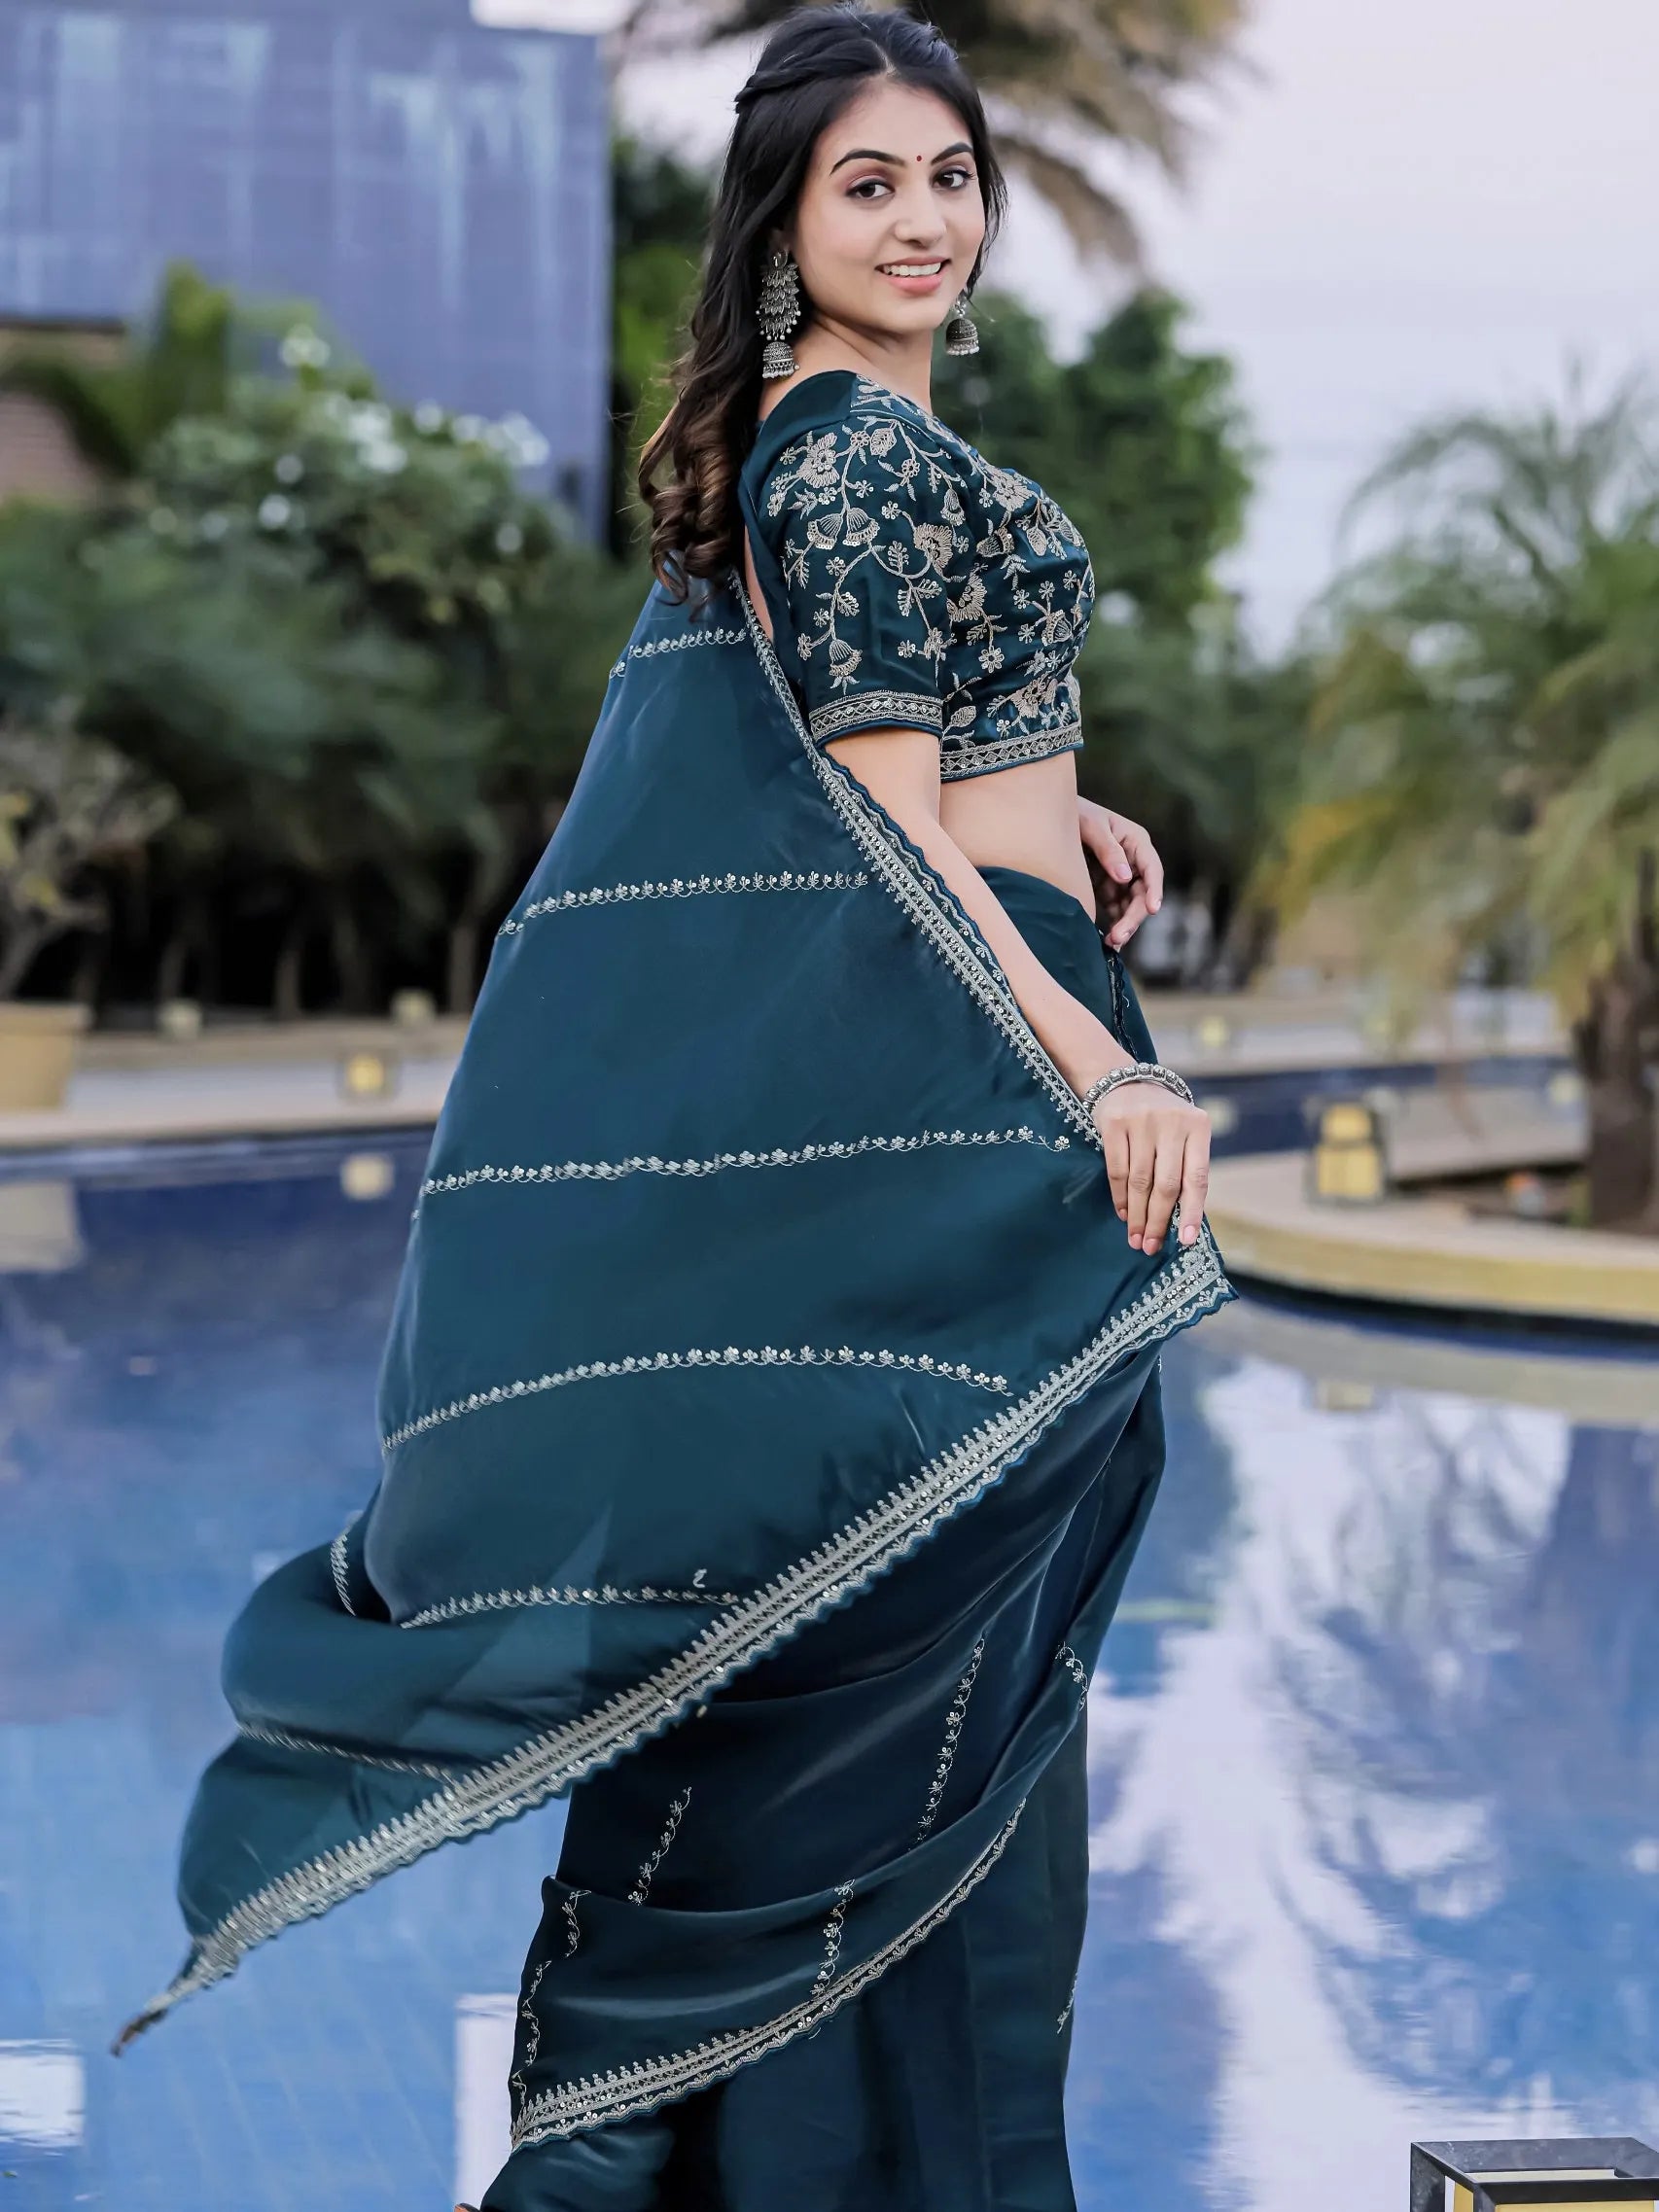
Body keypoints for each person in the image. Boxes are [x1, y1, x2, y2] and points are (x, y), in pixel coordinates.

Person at [119, 7, 1233, 2206]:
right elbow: (880, 821)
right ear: (784, 221)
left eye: (945, 175)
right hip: (974, 1087)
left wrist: (1066, 812)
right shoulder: (843, 454)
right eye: (865, 184)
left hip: (979, 1056)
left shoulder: (855, 449)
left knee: (891, 1638)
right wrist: (1097, 1045)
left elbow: (907, 763)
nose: (919, 219)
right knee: (886, 1657)